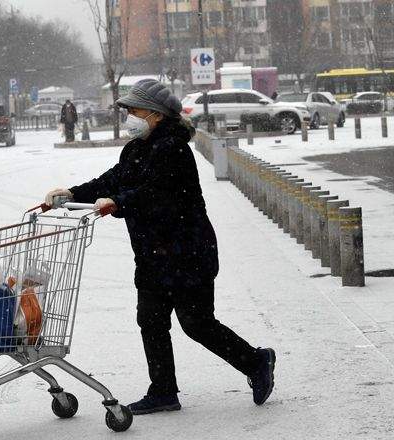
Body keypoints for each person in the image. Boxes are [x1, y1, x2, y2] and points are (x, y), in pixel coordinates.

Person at [44, 80, 276, 415]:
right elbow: (113, 179)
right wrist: (72, 193)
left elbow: (157, 195)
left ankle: (256, 361)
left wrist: (117, 203)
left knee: (196, 323)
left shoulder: (173, 149)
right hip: (153, 255)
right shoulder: (137, 149)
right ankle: (164, 390)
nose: (129, 117)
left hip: (187, 253)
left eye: (133, 111)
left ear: (154, 114)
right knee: (150, 319)